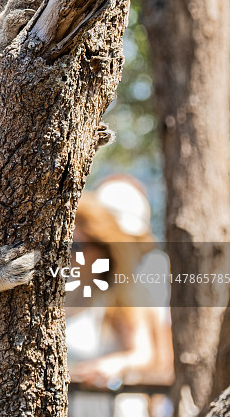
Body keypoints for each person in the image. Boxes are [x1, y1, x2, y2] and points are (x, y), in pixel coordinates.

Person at [67, 176, 173, 417]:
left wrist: (113, 366)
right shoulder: (62, 297)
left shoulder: (123, 292)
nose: (69, 255)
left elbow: (149, 354)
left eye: (75, 247)